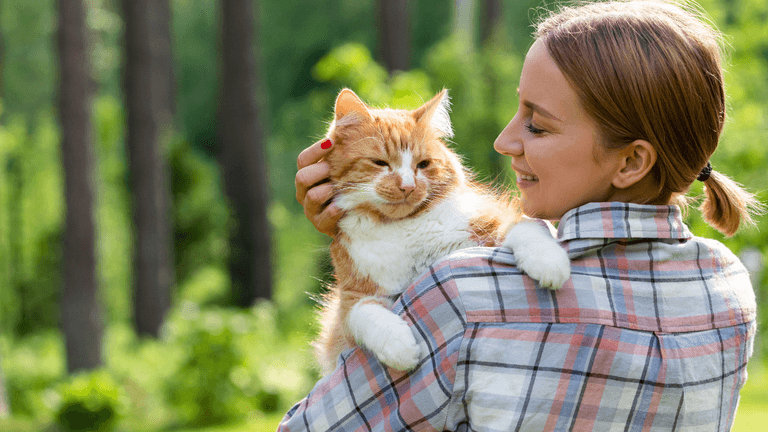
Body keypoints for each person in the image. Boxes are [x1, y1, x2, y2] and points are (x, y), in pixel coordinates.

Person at [282, 1, 762, 430]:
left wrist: (361, 238)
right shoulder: (727, 286)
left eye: (537, 124)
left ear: (632, 162)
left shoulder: (466, 295)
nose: (503, 141)